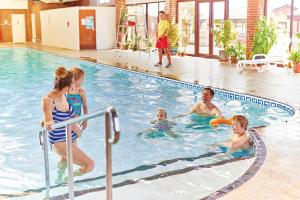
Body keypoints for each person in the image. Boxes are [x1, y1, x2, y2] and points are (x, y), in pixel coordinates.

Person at [42, 67, 94, 178]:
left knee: (64, 160)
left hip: (71, 137)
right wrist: (47, 124)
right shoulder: (48, 100)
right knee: (90, 165)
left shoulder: (64, 97)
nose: (74, 86)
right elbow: (47, 121)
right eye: (72, 83)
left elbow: (70, 117)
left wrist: (78, 128)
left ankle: (59, 180)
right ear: (68, 85)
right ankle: (67, 181)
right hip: (59, 141)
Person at [67, 67, 88, 132]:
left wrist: (85, 120)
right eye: (82, 79)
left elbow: (85, 106)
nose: (83, 81)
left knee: (75, 135)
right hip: (67, 118)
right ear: (75, 79)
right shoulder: (66, 90)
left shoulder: (81, 91)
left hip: (77, 118)